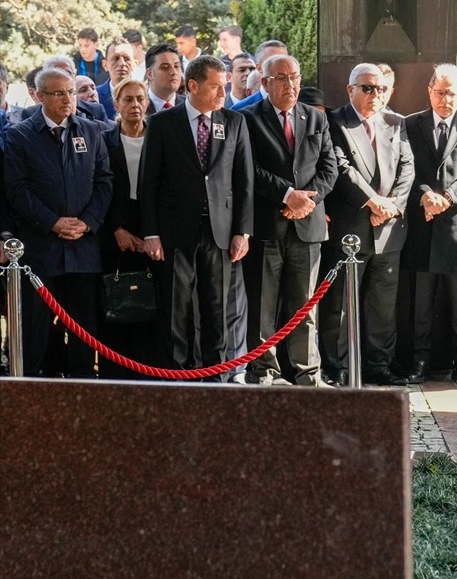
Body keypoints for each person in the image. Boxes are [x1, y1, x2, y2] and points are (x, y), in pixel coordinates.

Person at [140, 55, 254, 376]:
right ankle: (174, 377)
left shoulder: (234, 122)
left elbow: (244, 181)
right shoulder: (163, 123)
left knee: (216, 309)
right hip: (175, 231)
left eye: (224, 86)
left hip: (220, 232)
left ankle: (216, 377)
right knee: (176, 309)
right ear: (193, 85)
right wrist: (151, 233)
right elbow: (149, 181)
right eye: (216, 86)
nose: (222, 93)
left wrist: (242, 231)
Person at [3, 67, 113, 377]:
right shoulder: (20, 135)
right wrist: (52, 222)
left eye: (70, 92)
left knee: (83, 330)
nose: (67, 99)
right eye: (59, 93)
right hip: (41, 251)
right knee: (34, 331)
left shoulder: (91, 131)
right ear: (39, 96)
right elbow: (17, 189)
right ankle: (29, 391)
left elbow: (105, 181)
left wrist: (87, 222)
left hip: (83, 249)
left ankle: (82, 391)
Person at [241, 54, 338, 387]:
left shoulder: (315, 118)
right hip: (269, 224)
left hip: (307, 225)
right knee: (263, 306)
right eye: (281, 78)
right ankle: (264, 370)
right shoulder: (247, 119)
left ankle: (307, 372)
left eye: (294, 77)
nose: (290, 84)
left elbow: (329, 168)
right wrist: (286, 195)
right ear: (266, 83)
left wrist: (306, 202)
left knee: (305, 307)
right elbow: (248, 170)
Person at [321, 63, 415, 386]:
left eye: (380, 89)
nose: (376, 94)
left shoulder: (396, 122)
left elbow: (407, 169)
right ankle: (338, 367)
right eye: (367, 88)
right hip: (352, 228)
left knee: (382, 306)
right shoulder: (335, 121)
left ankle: (378, 365)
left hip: (388, 229)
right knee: (341, 305)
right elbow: (341, 167)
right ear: (351, 90)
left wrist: (392, 207)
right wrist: (372, 202)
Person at [399, 63, 457, 385]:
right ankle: (419, 362)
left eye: (451, 93)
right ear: (429, 91)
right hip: (422, 223)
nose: (445, 99)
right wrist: (425, 195)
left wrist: (447, 197)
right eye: (440, 92)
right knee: (421, 301)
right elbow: (407, 169)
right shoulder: (411, 125)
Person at [98, 76, 159, 375]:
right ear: (116, 104)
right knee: (117, 303)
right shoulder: (103, 139)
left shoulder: (160, 137)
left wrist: (152, 233)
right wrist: (116, 229)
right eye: (127, 99)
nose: (134, 105)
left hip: (153, 233)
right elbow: (96, 188)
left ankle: (150, 374)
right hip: (114, 232)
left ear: (147, 103)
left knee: (151, 307)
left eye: (139, 99)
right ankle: (115, 375)